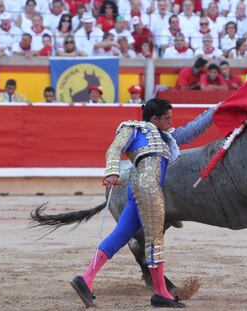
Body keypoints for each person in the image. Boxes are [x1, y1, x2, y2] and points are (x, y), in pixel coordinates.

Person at [70, 98, 215, 308]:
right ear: (154, 119)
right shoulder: (133, 128)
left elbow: (191, 130)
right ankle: (161, 293)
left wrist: (214, 110)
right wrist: (112, 171)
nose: (170, 122)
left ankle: (86, 280)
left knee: (120, 235)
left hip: (135, 188)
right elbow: (114, 148)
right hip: (149, 188)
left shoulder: (167, 136)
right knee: (155, 239)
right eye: (167, 118)